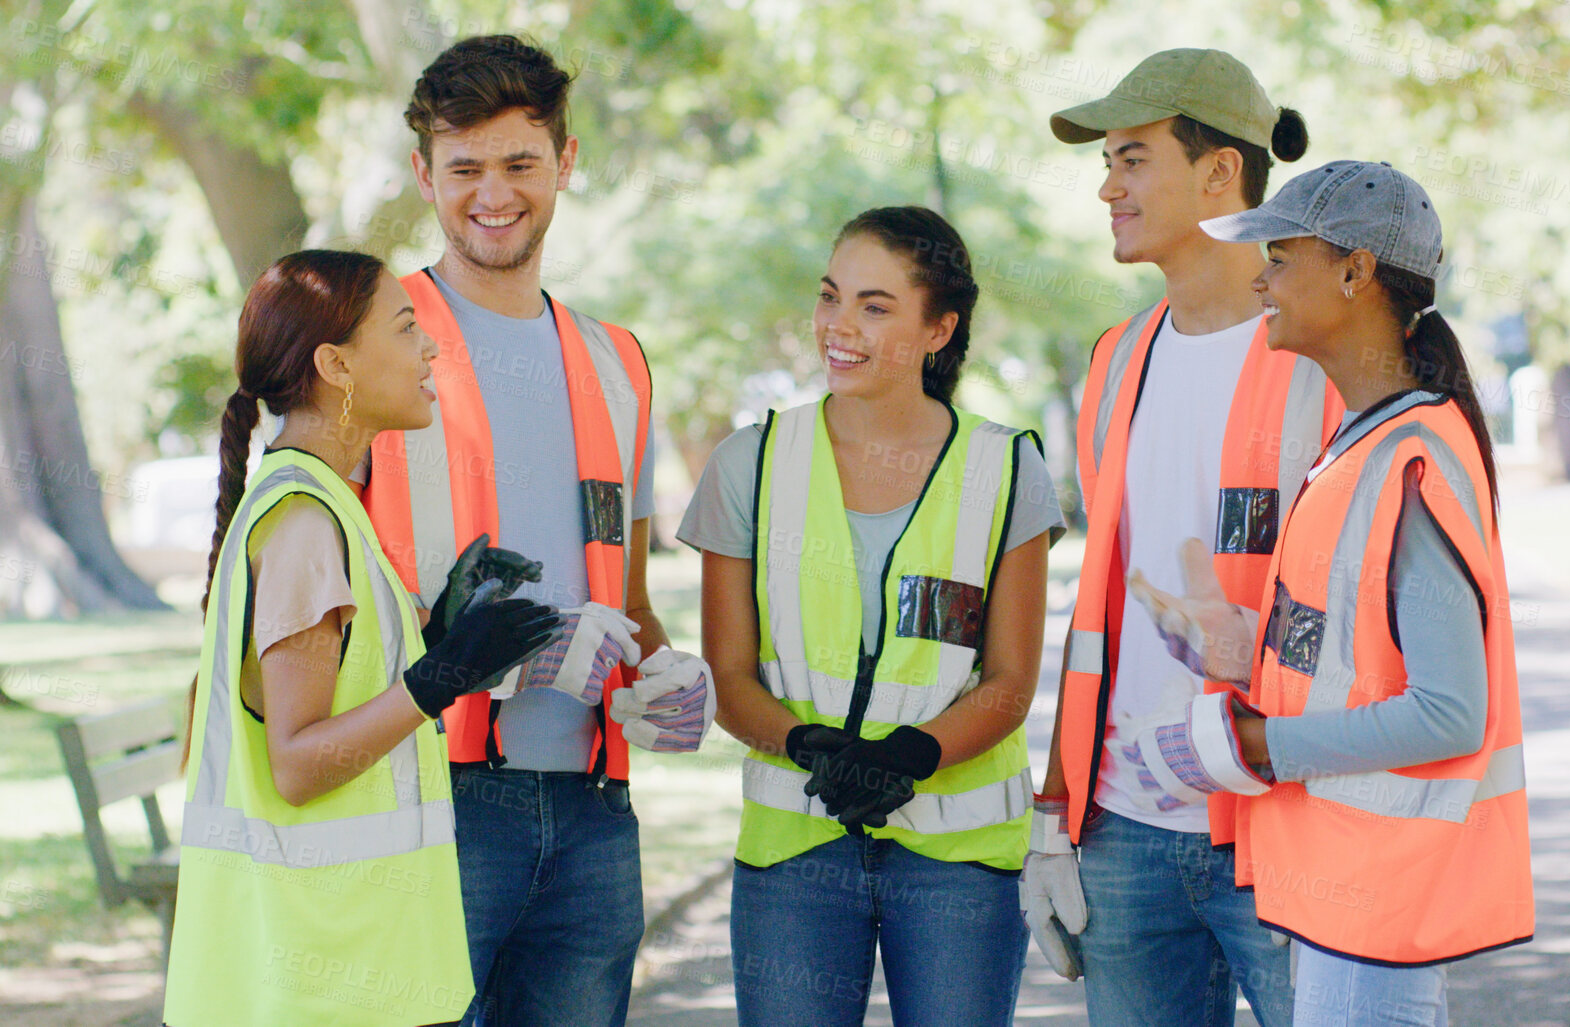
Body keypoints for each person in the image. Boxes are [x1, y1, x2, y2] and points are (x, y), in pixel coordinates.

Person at [1120, 161, 1534, 1026]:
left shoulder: (1407, 458)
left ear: (1354, 272)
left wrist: (1264, 743)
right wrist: (1242, 648)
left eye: (1279, 255)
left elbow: (1449, 713)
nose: (1261, 279)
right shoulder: (1359, 443)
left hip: (1376, 911)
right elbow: (1348, 650)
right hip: (1343, 902)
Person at [358, 36, 713, 1027]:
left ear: (565, 161)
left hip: (595, 812)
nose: (493, 194)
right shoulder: (365, 342)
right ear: (425, 173)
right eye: (464, 168)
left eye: (519, 163)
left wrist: (668, 675)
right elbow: (317, 599)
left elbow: (630, 597)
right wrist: (481, 659)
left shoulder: (618, 362)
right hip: (428, 802)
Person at [682, 206, 1065, 1026]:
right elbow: (729, 673)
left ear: (939, 328)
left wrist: (914, 753)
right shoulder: (748, 465)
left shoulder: (1006, 469)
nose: (838, 326)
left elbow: (1009, 680)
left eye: (875, 305)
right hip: (796, 850)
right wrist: (806, 745)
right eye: (830, 297)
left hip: (957, 858)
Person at [165, 250, 564, 1027]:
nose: (430, 348)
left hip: (352, 969)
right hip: (323, 977)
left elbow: (341, 684)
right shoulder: (306, 524)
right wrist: (439, 679)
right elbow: (299, 764)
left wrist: (440, 629)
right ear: (335, 364)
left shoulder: (326, 506)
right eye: (406, 326)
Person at [1024, 48, 1340, 1027]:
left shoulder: (1327, 356)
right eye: (1106, 163)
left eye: (1131, 158)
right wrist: (1054, 810)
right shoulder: (1117, 361)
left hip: (1288, 823)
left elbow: (1367, 611)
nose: (1107, 187)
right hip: (1124, 837)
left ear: (1219, 174)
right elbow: (1102, 605)